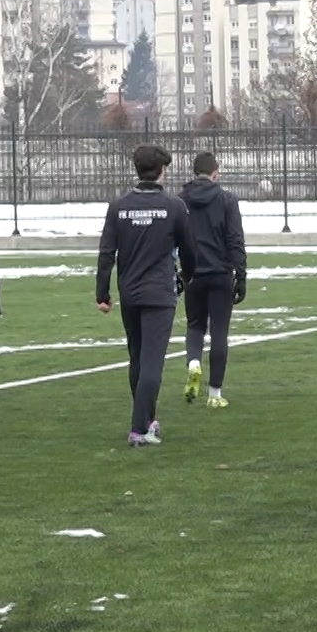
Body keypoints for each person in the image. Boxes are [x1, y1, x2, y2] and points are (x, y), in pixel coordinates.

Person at [96, 144, 196, 447]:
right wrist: (187, 276)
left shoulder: (118, 206)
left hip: (130, 292)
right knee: (152, 362)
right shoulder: (174, 206)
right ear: (162, 170)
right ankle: (139, 428)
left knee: (137, 359)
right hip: (160, 292)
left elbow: (106, 253)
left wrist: (102, 292)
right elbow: (189, 250)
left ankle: (148, 419)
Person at [179, 152, 248, 409]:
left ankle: (194, 362)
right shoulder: (227, 200)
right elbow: (235, 239)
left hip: (192, 273)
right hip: (220, 273)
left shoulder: (180, 201)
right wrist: (241, 274)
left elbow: (173, 239)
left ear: (194, 173)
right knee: (219, 332)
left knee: (195, 325)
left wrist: (176, 271)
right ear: (215, 174)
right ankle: (215, 393)